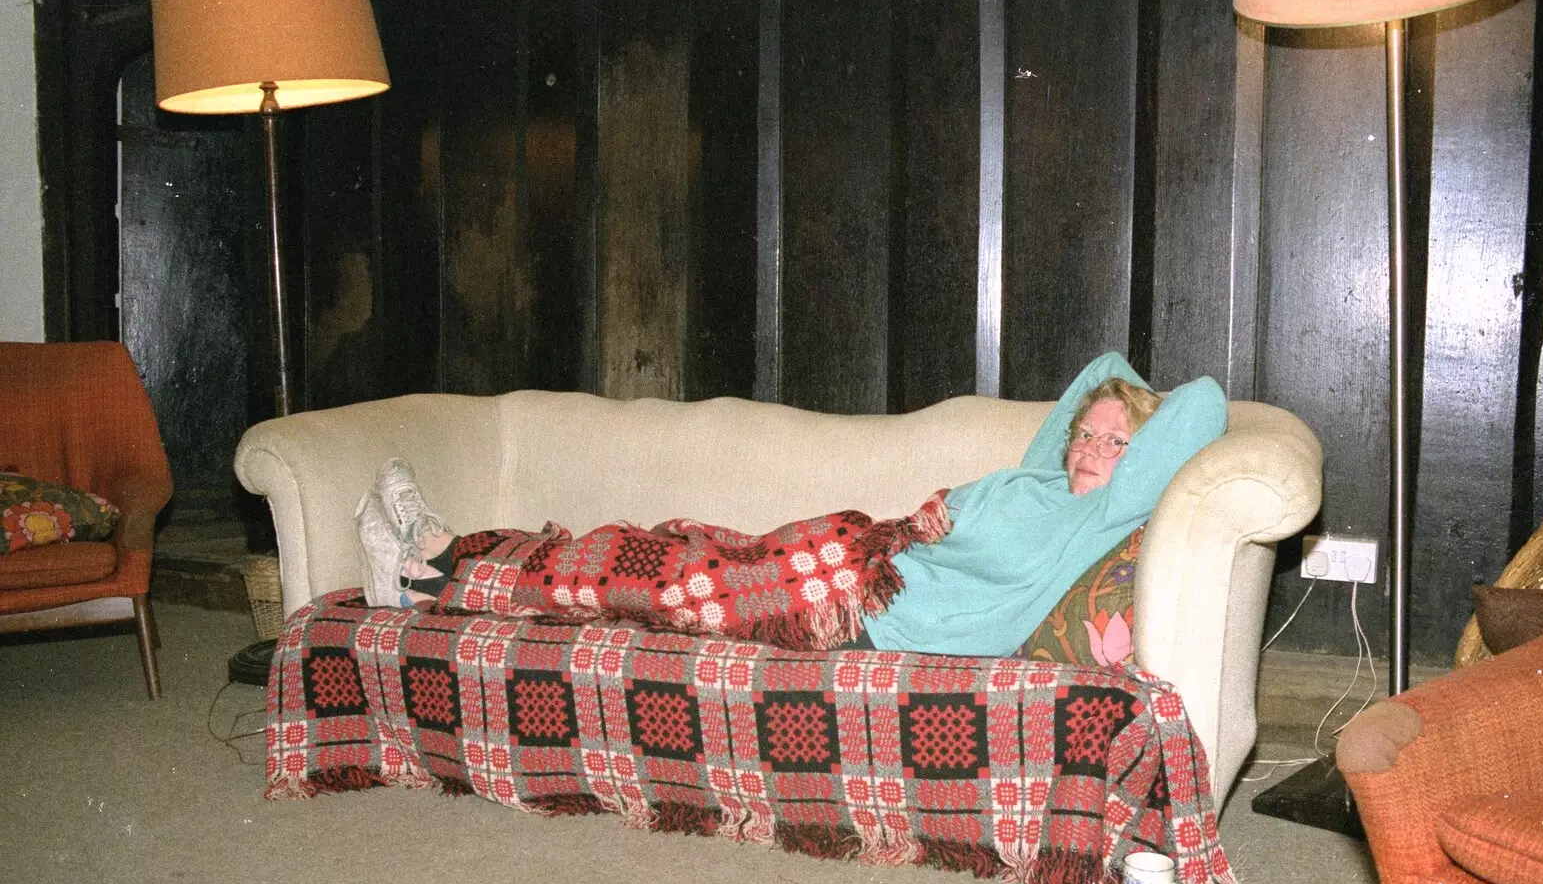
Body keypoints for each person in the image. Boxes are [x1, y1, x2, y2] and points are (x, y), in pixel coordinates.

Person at [354, 352, 1226, 658]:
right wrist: (1103, 406)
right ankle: (458, 548)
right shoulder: (1044, 479)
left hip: (855, 611)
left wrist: (1133, 431)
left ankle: (431, 579)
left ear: (1142, 457)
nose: (1089, 448)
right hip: (857, 558)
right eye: (1086, 432)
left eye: (1116, 442)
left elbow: (1208, 403)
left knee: (655, 580)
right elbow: (1099, 366)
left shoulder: (1098, 515)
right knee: (668, 543)